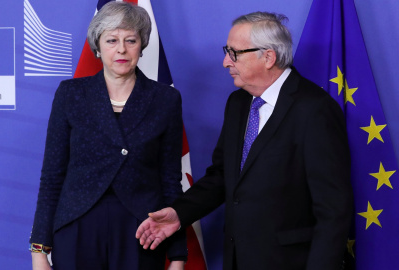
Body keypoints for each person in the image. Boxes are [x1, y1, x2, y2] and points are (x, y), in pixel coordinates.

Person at [136, 11, 353, 270]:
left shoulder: (315, 109)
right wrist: (179, 214)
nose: (225, 62)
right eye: (226, 51)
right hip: (238, 260)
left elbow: (333, 211)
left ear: (269, 57)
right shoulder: (238, 103)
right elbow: (222, 176)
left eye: (234, 53)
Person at [29, 2, 187, 270]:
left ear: (142, 44)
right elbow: (52, 177)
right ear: (98, 47)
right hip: (77, 228)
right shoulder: (71, 94)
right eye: (112, 40)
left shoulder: (165, 99)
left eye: (131, 40)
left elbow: (170, 180)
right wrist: (39, 251)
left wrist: (178, 255)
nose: (121, 49)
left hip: (142, 231)